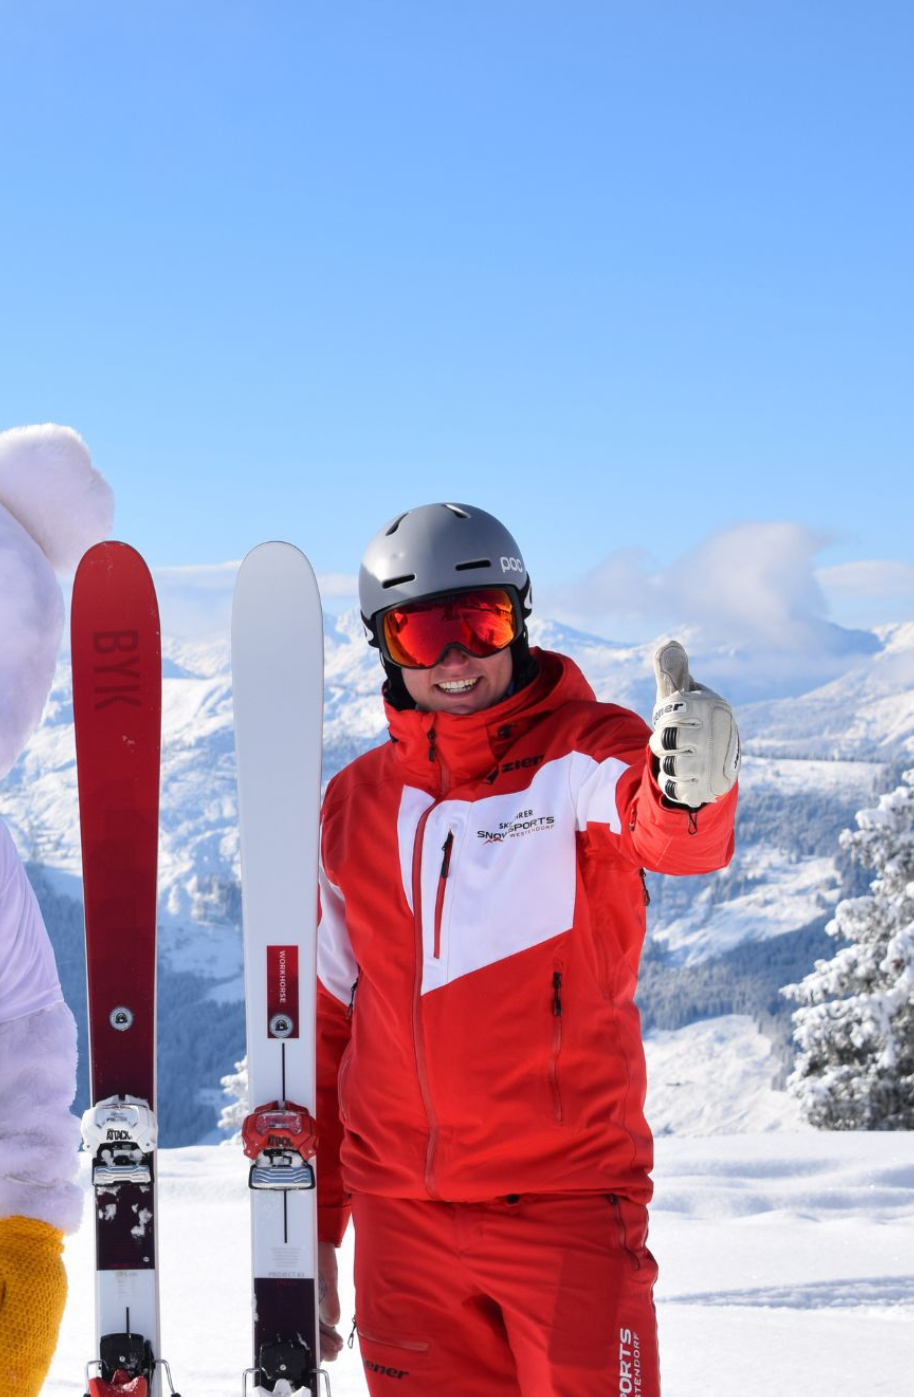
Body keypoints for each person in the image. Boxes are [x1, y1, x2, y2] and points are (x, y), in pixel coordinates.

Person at [312, 502, 741, 1397]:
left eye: (482, 622)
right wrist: (315, 1229)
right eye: (423, 632)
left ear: (520, 620)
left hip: (568, 1213)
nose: (457, 657)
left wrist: (691, 793)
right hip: (403, 1228)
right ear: (385, 646)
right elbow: (327, 1028)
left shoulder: (582, 752)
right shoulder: (353, 805)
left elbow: (663, 832)